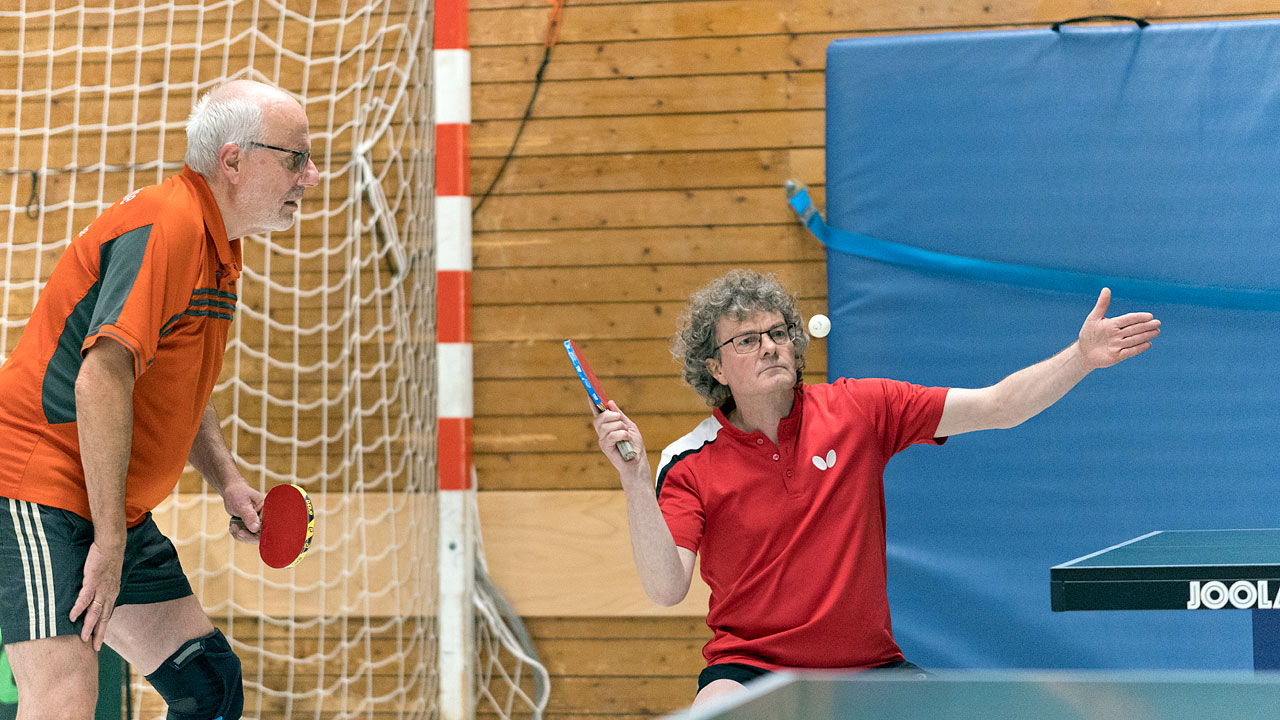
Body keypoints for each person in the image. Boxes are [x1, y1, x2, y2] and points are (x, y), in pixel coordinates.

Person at [592, 269, 1160, 706]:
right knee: (714, 712)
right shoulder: (690, 460)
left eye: (777, 333)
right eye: (746, 340)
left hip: (869, 669)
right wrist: (635, 479)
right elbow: (667, 588)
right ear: (715, 369)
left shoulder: (859, 409)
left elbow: (998, 406)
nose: (769, 346)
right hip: (751, 670)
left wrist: (1081, 357)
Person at [0, 79, 319, 719]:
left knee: (208, 687)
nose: (310, 176)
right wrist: (110, 544)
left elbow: (175, 383)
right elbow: (101, 379)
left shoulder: (217, 247)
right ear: (233, 161)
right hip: (36, 487)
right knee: (64, 700)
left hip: (107, 506)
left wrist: (228, 481)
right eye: (295, 158)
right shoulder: (166, 225)